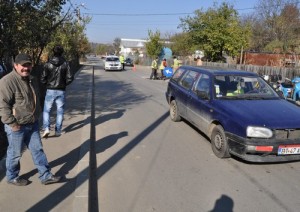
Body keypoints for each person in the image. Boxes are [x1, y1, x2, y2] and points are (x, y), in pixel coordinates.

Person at [0, 53, 61, 186]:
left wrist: (37, 116)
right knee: (15, 153)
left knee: (37, 149)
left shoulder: (32, 78)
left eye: (28, 65)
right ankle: (12, 176)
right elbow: (3, 106)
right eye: (23, 65)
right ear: (15, 65)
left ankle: (45, 175)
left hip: (32, 123)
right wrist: (12, 123)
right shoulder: (7, 82)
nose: (26, 68)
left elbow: (35, 99)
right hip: (16, 125)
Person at [41, 45, 73, 138]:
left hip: (50, 90)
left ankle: (46, 128)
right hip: (61, 90)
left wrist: (47, 84)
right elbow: (70, 78)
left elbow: (42, 78)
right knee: (60, 111)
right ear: (62, 52)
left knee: (47, 111)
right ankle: (58, 131)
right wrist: (63, 84)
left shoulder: (47, 64)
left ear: (53, 52)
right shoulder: (66, 64)